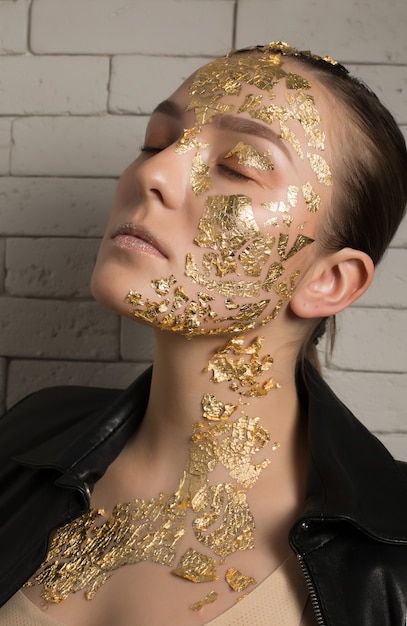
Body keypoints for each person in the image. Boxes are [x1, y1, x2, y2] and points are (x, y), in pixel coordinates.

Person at [0, 41, 406, 626]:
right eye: (156, 142)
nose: (153, 173)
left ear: (329, 280)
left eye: (238, 165)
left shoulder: (390, 558)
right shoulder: (26, 441)